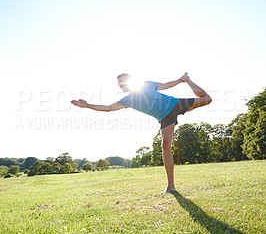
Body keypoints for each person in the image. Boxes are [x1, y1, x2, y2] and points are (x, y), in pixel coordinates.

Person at [71, 72, 212, 193]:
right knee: (165, 146)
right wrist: (88, 105)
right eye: (120, 84)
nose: (122, 85)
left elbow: (165, 85)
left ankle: (188, 80)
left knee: (207, 99)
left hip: (174, 104)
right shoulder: (128, 100)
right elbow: (108, 108)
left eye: (123, 82)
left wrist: (181, 80)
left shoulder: (146, 85)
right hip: (165, 118)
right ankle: (171, 186)